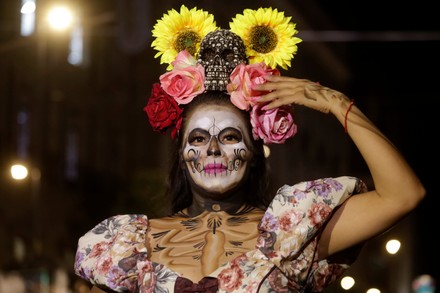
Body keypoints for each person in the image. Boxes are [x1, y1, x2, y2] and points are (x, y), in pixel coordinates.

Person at [73, 5, 425, 292]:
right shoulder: (124, 244)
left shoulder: (295, 229)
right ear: (180, 154)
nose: (212, 149)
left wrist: (335, 102)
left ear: (255, 150)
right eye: (197, 139)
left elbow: (403, 195)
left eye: (229, 137)